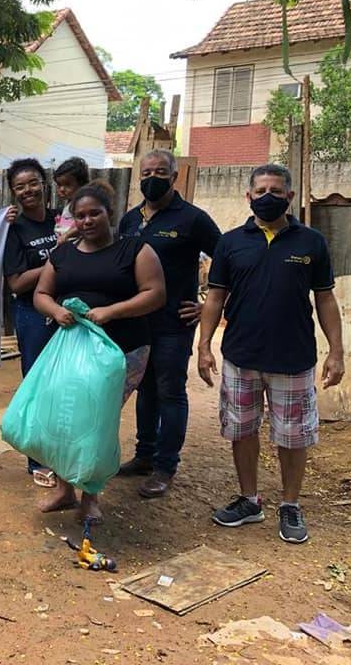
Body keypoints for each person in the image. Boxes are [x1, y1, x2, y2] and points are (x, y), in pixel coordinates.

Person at [198, 164, 344, 544]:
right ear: (248, 197)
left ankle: (290, 505)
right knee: (242, 431)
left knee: (293, 437)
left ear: (290, 197)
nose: (267, 197)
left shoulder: (311, 242)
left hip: (293, 359)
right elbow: (215, 298)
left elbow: (325, 299)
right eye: (260, 190)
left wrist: (337, 352)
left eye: (275, 191)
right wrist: (203, 346)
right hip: (240, 357)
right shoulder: (230, 243)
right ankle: (249, 500)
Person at [32, 184, 165, 523]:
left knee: (96, 423)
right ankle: (65, 490)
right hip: (73, 349)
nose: (87, 220)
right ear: (72, 219)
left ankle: (90, 496)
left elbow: (155, 294)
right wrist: (55, 310)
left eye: (95, 213)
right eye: (80, 215)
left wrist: (112, 312)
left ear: (110, 212)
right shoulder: (62, 254)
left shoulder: (135, 250)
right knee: (64, 420)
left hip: (122, 349)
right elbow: (41, 293)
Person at [117, 150, 221, 498]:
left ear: (174, 177)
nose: (152, 177)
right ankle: (144, 455)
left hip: (174, 323)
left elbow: (229, 262)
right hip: (137, 322)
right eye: (146, 172)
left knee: (170, 391)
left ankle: (165, 466)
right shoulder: (130, 220)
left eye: (160, 171)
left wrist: (208, 307)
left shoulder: (193, 219)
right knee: (144, 389)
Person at [3, 158, 60, 488]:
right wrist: (57, 258)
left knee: (67, 385)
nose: (28, 190)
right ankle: (37, 458)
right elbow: (16, 283)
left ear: (45, 183)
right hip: (33, 315)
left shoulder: (63, 219)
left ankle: (62, 453)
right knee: (38, 385)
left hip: (69, 311)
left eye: (33, 183)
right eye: (20, 186)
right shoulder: (15, 229)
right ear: (13, 192)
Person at [52, 157, 89, 239]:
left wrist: (66, 235)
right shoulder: (69, 203)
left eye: (67, 184)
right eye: (59, 185)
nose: (62, 189)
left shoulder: (82, 204)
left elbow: (83, 224)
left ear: (81, 184)